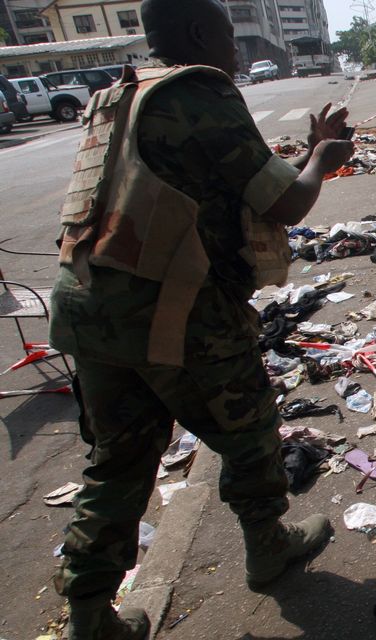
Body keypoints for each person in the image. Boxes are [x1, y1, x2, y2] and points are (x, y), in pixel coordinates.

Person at [48, 1, 354, 638]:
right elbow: (287, 201)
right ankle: (268, 546)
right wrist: (322, 160)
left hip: (89, 304)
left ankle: (89, 616)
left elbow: (199, 179)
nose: (238, 49)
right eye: (227, 34)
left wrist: (304, 147)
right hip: (175, 309)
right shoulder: (200, 91)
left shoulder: (121, 95)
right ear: (195, 34)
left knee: (121, 459)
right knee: (251, 432)